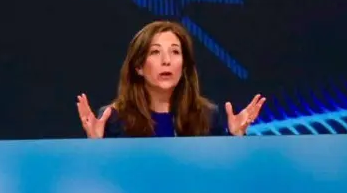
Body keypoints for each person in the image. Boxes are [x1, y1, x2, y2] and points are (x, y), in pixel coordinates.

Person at [75, 19, 265, 138]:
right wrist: (94, 146)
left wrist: (236, 138)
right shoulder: (114, 118)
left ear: (183, 67)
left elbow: (220, 177)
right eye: (155, 52)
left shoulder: (206, 116)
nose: (166, 61)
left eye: (175, 52)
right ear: (139, 67)